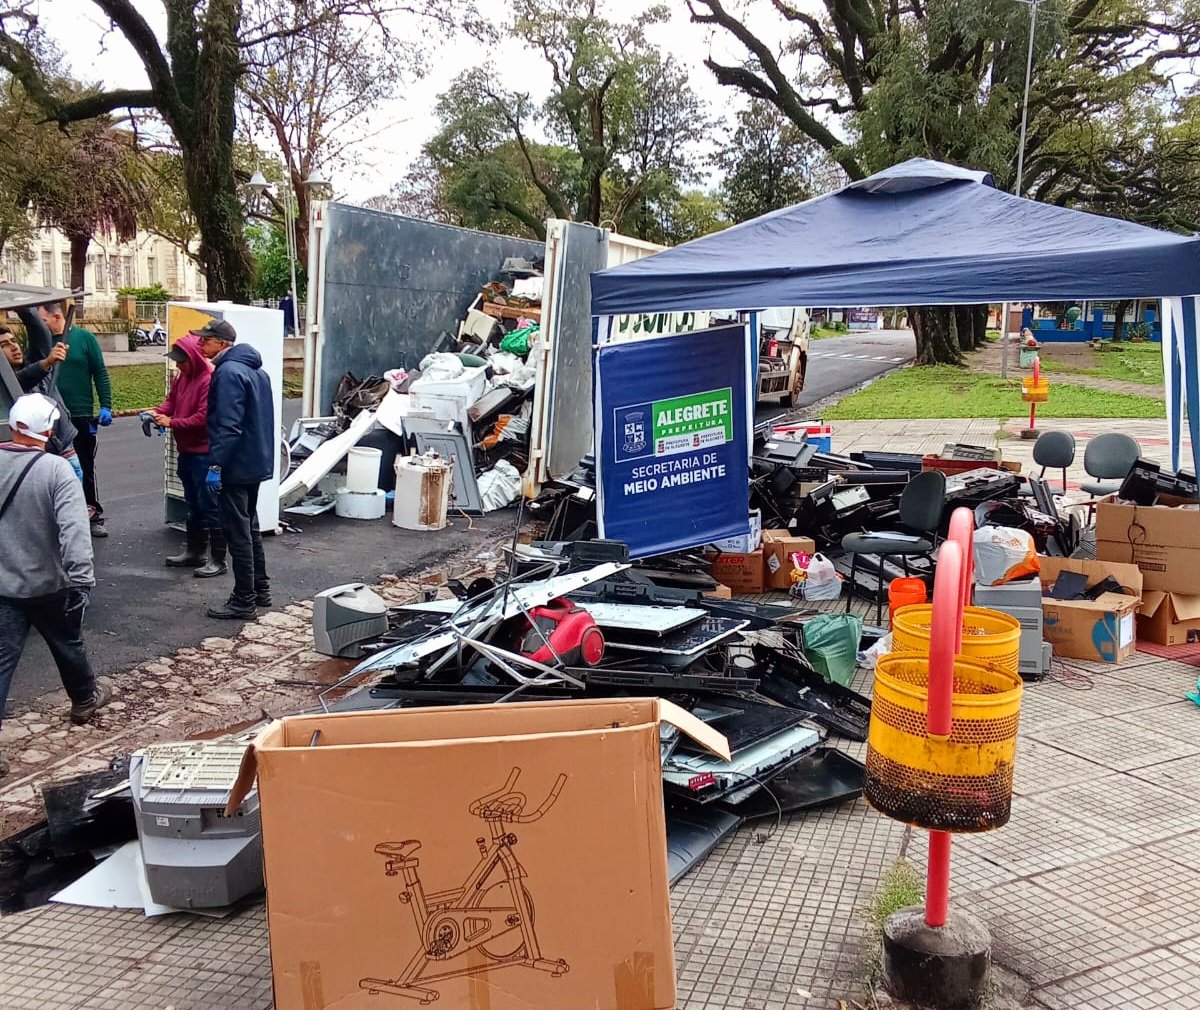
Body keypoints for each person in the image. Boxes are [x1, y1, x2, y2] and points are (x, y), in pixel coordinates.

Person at [0, 394, 112, 778]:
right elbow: (74, 529)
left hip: (3, 587)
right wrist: (81, 580)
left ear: (14, 425)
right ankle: (84, 700)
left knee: (1, 664)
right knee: (67, 643)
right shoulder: (55, 470)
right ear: (49, 430)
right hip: (50, 582)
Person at [195, 319, 274, 619]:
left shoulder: (227, 373)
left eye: (206, 339)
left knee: (237, 531)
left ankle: (244, 599)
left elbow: (228, 425)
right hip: (255, 461)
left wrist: (216, 464)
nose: (202, 344)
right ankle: (260, 588)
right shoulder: (258, 371)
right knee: (250, 526)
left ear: (222, 343)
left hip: (235, 465)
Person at [150, 336, 226, 578]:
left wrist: (172, 422)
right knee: (193, 504)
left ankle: (218, 558)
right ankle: (195, 552)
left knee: (210, 507)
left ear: (193, 359)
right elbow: (171, 402)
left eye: (182, 362)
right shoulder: (183, 377)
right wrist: (156, 413)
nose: (179, 366)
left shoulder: (208, 380)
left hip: (204, 454)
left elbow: (204, 418)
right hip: (187, 453)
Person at [38, 301, 113, 538]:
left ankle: (92, 513)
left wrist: (106, 405)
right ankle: (58, 517)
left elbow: (99, 372)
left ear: (57, 316)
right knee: (49, 468)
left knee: (84, 465)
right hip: (49, 415)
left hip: (79, 414)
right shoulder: (41, 343)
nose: (42, 325)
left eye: (44, 320)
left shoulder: (83, 339)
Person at [1, 319, 84, 481]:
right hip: (35, 460)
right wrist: (46, 363)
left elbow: (38, 330)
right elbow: (22, 380)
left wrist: (24, 304)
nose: (13, 347)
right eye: (4, 344)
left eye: (13, 341)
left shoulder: (33, 360)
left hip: (66, 451)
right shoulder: (5, 384)